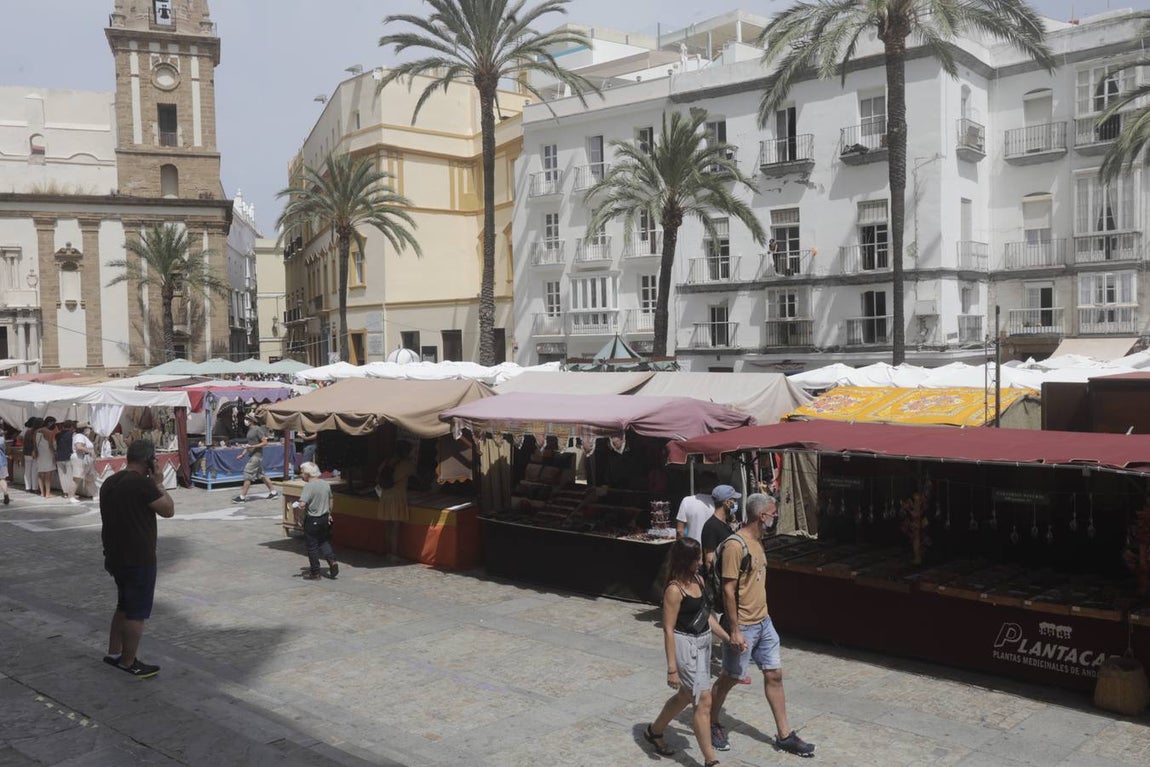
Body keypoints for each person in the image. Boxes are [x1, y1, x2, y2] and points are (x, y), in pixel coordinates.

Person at [709, 493, 814, 757]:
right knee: (730, 678)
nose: (775, 517)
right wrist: (733, 630)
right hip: (742, 625)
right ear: (760, 516)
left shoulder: (759, 542)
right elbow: (728, 589)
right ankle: (710, 721)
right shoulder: (736, 545)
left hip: (764, 622)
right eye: (773, 513)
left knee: (774, 674)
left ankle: (785, 735)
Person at [644, 537, 730, 767]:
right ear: (685, 561)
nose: (701, 561)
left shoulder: (698, 580)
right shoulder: (674, 590)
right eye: (697, 558)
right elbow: (668, 630)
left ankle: (654, 731)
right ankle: (711, 760)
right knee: (703, 700)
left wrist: (726, 637)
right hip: (685, 646)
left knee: (685, 695)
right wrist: (672, 668)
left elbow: (707, 617)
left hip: (703, 643)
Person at [100, 439, 174, 678]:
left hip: (115, 555)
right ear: (150, 461)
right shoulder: (143, 485)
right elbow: (168, 510)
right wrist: (160, 484)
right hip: (138, 558)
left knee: (123, 605)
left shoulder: (110, 482)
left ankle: (114, 653)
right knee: (136, 612)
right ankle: (129, 661)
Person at [295, 461, 338, 580]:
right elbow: (331, 499)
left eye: (302, 473)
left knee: (312, 546)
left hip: (312, 519)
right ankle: (332, 561)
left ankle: (315, 572)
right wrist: (329, 513)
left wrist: (298, 516)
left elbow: (302, 504)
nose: (301, 475)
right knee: (324, 541)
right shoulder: (325, 484)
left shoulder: (309, 486)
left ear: (308, 474)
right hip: (324, 518)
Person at [376, 440, 415, 558]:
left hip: (385, 496)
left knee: (388, 526)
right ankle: (394, 553)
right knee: (395, 528)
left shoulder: (387, 461)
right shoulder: (408, 464)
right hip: (397, 497)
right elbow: (416, 476)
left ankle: (388, 551)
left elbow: (378, 474)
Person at [233, 414, 278, 502]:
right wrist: (242, 454)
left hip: (256, 456)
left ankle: (242, 497)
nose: (245, 420)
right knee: (262, 475)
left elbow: (265, 442)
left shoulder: (257, 429)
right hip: (254, 455)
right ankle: (273, 492)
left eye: (247, 419)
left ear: (252, 420)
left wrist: (253, 446)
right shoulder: (250, 430)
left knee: (247, 474)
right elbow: (249, 444)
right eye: (245, 418)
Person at [700, 485, 740, 572]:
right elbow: (709, 560)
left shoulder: (725, 523)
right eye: (734, 500)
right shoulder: (711, 526)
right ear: (727, 503)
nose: (736, 503)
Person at [72, 423, 97, 499]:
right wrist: (90, 451)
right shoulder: (79, 436)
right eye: (88, 428)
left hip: (85, 459)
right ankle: (71, 496)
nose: (89, 430)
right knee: (77, 478)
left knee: (89, 478)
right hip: (80, 458)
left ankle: (95, 495)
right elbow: (78, 447)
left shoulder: (83, 437)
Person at [35, 417, 58, 499]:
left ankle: (42, 493)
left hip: (39, 454)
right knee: (48, 474)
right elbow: (50, 445)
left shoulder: (36, 431)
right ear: (49, 423)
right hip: (47, 453)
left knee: (40, 473)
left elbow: (34, 443)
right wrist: (54, 454)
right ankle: (48, 493)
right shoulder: (48, 432)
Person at [55, 420, 77, 503]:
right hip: (68, 455)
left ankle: (65, 493)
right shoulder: (72, 434)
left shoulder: (57, 435)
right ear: (71, 426)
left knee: (62, 476)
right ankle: (71, 493)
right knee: (70, 476)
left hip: (59, 456)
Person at [22, 417, 40, 494]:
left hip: (26, 452)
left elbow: (24, 441)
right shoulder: (36, 432)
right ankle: (34, 487)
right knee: (34, 471)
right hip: (33, 452)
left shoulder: (27, 431)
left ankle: (28, 487)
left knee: (27, 470)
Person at [0, 428, 11, 505]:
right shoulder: (2, 439)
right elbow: (5, 449)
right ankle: (6, 494)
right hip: (2, 461)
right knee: (2, 479)